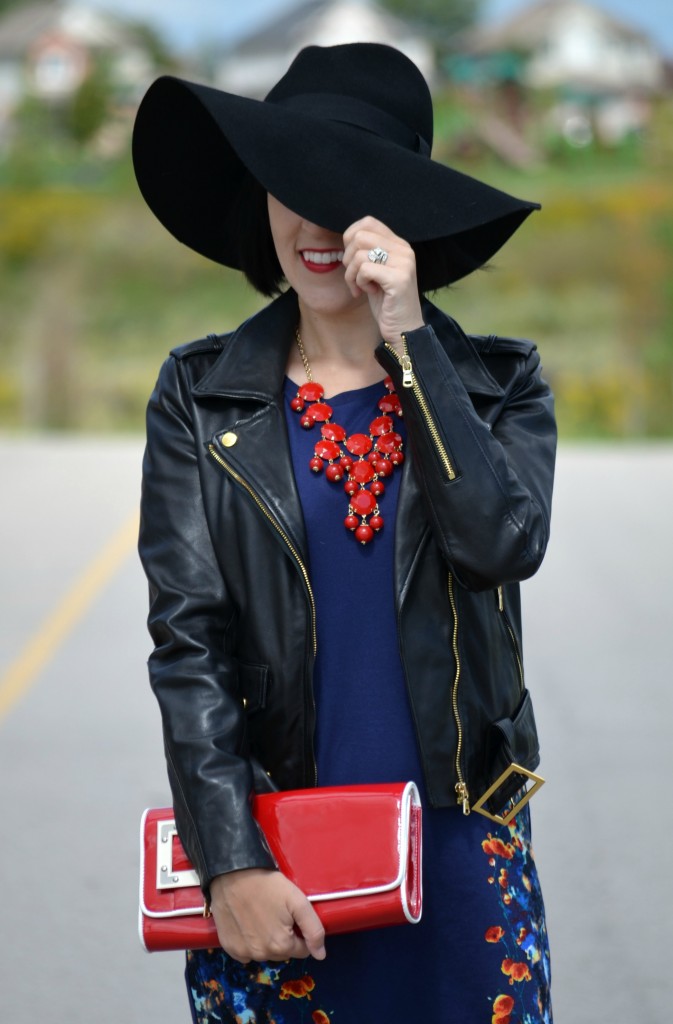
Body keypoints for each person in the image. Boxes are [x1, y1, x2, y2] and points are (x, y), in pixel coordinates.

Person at [133, 42, 556, 1024]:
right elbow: (187, 642)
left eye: (355, 196)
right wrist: (228, 860)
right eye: (295, 185)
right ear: (260, 198)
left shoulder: (498, 385)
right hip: (277, 862)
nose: (320, 225)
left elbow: (499, 543)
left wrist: (408, 341)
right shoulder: (201, 394)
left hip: (460, 860)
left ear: (404, 221)